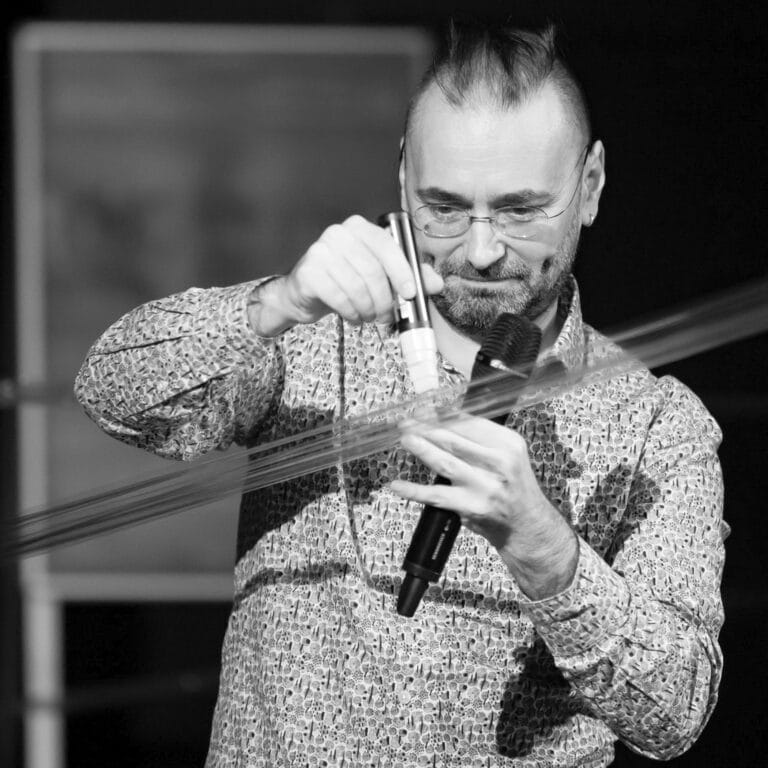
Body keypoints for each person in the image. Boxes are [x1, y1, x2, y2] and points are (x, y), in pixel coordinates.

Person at [74, 21, 727, 768]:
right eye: (444, 207)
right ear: (402, 178)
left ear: (591, 187)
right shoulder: (310, 339)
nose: (481, 249)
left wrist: (545, 550)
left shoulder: (655, 423)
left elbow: (676, 711)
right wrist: (275, 303)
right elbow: (112, 394)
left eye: (520, 210)